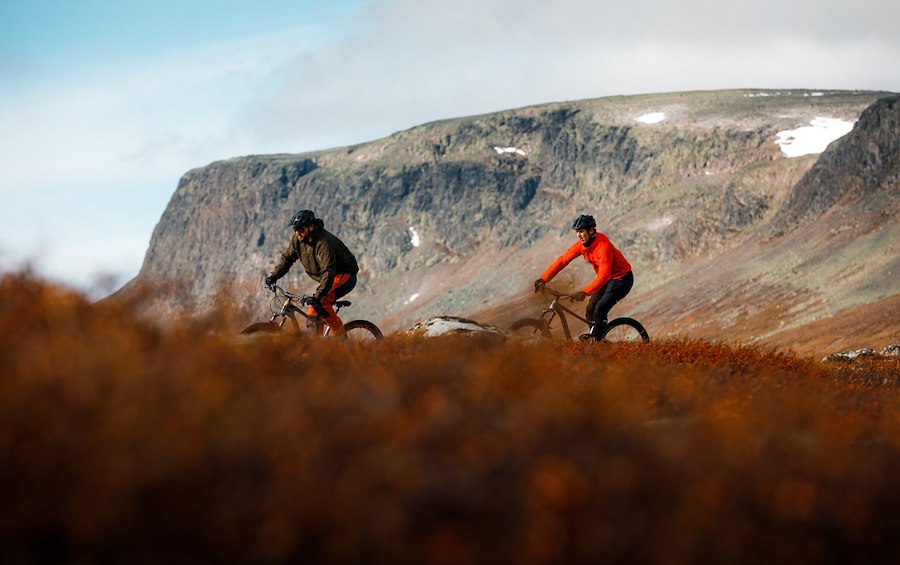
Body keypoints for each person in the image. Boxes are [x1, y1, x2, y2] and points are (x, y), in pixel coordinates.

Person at [534, 214, 634, 341]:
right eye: (577, 232)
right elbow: (562, 261)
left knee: (600, 309)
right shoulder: (581, 245)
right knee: (590, 309)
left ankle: (597, 342)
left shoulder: (603, 246)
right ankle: (597, 335)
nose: (578, 235)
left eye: (581, 231)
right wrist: (543, 278)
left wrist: (584, 292)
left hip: (622, 280)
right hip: (608, 279)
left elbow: (604, 275)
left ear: (591, 231)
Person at [264, 209, 359, 337]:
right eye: (295, 229)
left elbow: (328, 272)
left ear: (311, 227)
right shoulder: (298, 239)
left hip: (344, 276)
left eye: (301, 229)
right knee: (313, 313)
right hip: (329, 278)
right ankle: (316, 345)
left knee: (321, 301)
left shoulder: (324, 243)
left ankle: (342, 341)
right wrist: (274, 275)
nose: (297, 232)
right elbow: (288, 258)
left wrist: (318, 296)